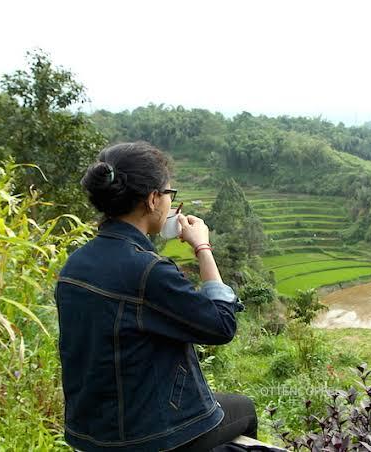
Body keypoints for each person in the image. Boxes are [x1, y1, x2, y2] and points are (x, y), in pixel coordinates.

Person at [55, 142, 257, 451]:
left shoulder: (75, 263)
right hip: (146, 437)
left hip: (90, 431)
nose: (169, 204)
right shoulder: (148, 271)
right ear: (152, 199)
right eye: (169, 195)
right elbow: (221, 325)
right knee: (243, 409)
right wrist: (202, 248)